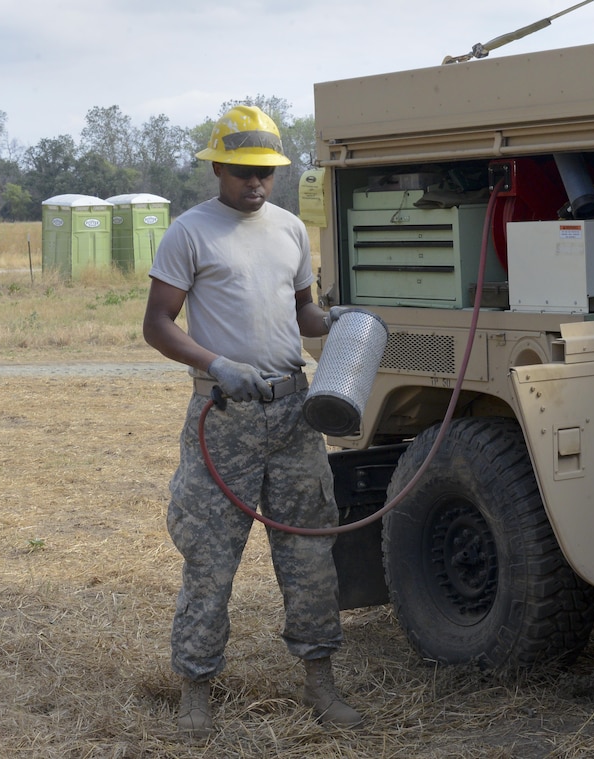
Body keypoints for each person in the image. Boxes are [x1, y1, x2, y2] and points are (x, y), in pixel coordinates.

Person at [142, 104, 359, 744]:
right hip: (224, 416)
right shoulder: (190, 232)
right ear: (217, 167)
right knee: (211, 557)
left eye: (266, 172)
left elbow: (304, 315)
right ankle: (196, 690)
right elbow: (157, 324)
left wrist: (339, 321)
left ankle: (320, 682)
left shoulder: (290, 230)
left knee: (309, 550)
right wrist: (217, 365)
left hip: (295, 416)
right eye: (242, 172)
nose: (256, 184)